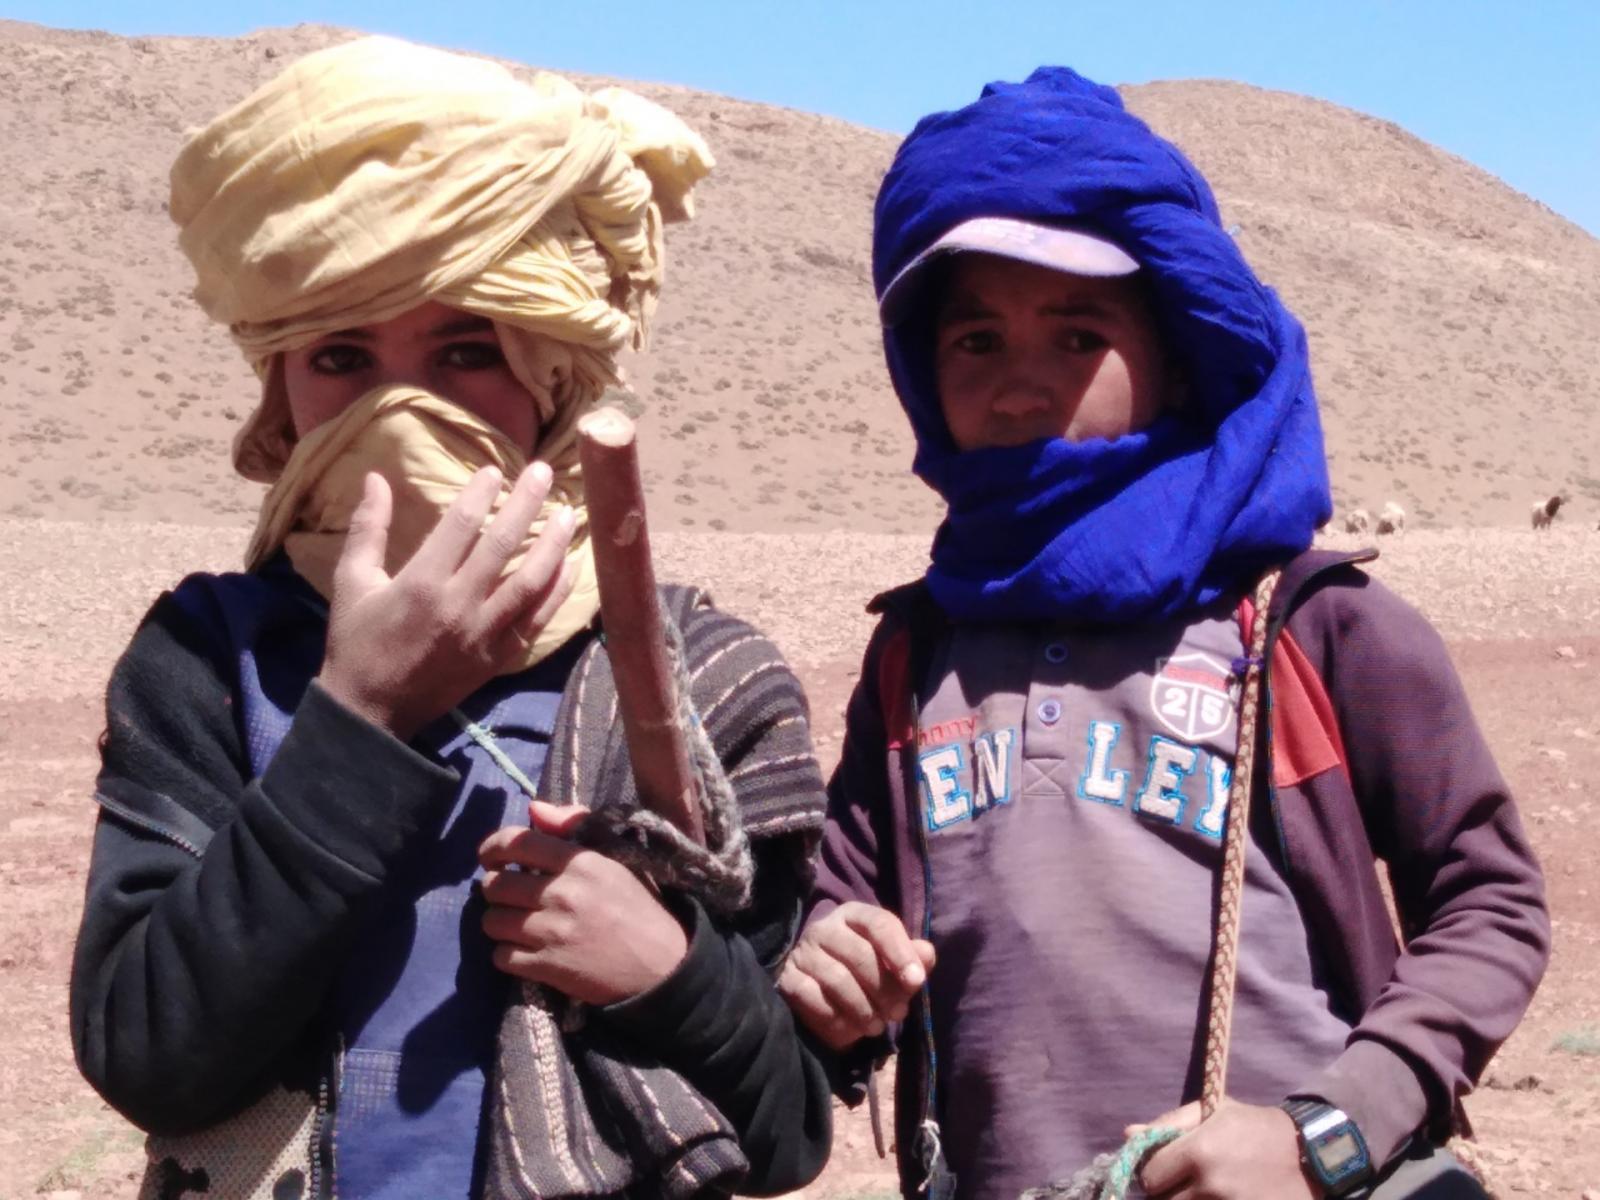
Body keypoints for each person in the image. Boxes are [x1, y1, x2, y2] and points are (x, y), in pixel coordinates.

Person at [69, 37, 831, 1200]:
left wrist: (666, 970)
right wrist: (361, 716)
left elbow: (783, 1136)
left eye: (467, 350)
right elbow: (148, 1056)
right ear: (281, 385)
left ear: (551, 374)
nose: (399, 407)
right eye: (341, 354)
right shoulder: (213, 655)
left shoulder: (701, 680)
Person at [777, 68, 1550, 1200]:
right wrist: (834, 956)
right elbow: (846, 899)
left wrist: (1329, 1131)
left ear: (1176, 347)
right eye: (976, 341)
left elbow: (1490, 903)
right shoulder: (918, 652)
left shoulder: (1308, 625)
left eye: (1077, 335)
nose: (1020, 386)